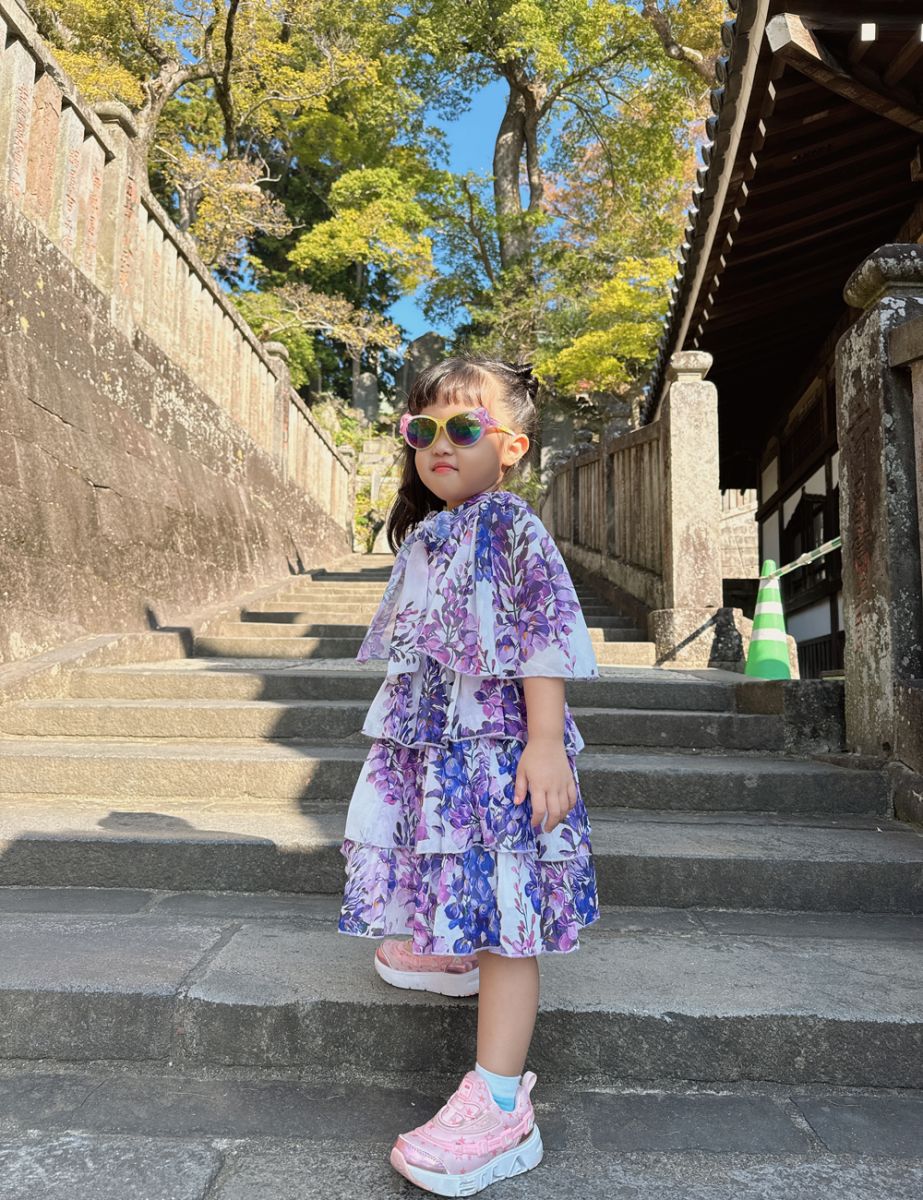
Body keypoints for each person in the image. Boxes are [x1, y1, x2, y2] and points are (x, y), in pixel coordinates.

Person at [336, 354, 600, 1196]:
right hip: (440, 745)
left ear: (511, 445)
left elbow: (542, 631)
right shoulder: (432, 532)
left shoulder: (512, 524)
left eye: (462, 427)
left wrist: (546, 741)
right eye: (422, 430)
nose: (438, 443)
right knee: (458, 871)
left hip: (497, 746)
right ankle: (451, 948)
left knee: (509, 910)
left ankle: (497, 1103)